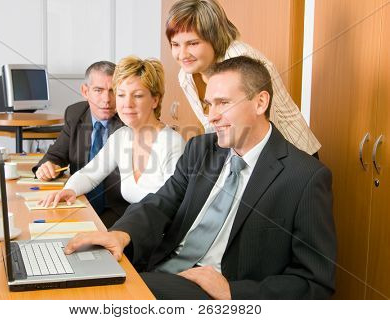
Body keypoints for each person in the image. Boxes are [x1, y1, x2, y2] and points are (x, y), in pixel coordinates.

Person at [63, 56, 336, 300]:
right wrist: (122, 234)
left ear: (260, 102)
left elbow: (315, 282)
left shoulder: (305, 177)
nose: (212, 116)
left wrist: (234, 292)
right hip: (164, 268)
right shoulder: (202, 149)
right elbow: (160, 203)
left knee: (103, 295)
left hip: (217, 292)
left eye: (224, 103)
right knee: (77, 278)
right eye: (209, 104)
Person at [40, 56, 186, 223]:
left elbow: (168, 207)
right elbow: (90, 174)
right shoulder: (122, 136)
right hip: (135, 229)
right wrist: (70, 190)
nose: (127, 104)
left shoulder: (171, 143)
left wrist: (120, 232)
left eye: (137, 96)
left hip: (158, 236)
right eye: (121, 95)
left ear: (155, 100)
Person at [166, 0, 321, 157]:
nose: (182, 54)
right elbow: (214, 127)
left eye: (192, 43)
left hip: (290, 153)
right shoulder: (186, 77)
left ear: (214, 38)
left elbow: (263, 127)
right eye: (175, 45)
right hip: (247, 154)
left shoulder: (240, 59)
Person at [33, 61, 128, 227]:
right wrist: (48, 165)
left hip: (117, 210)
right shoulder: (75, 113)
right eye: (98, 90)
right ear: (85, 91)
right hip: (78, 200)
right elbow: (56, 155)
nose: (106, 99)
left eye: (113, 91)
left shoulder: (129, 120)